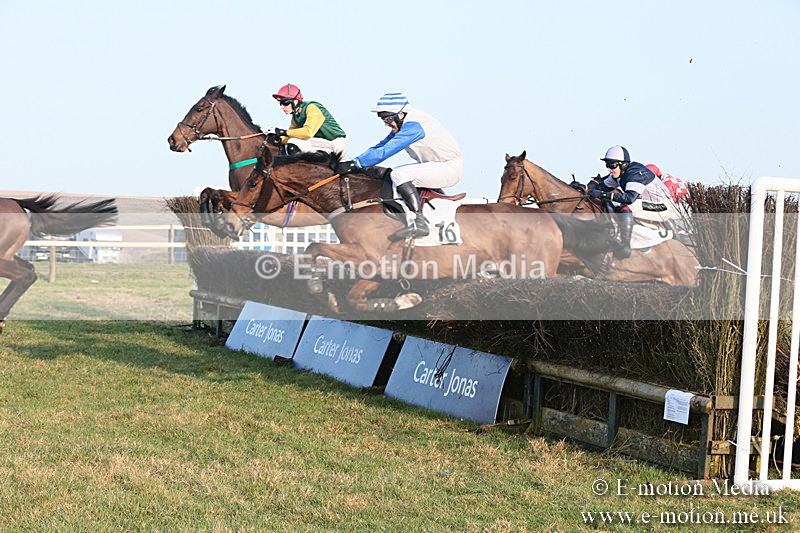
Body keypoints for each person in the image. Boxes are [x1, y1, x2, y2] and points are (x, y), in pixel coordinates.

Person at [335, 92, 463, 241]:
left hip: (448, 168)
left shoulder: (414, 126)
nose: (386, 123)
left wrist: (356, 164)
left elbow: (387, 150)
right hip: (437, 166)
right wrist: (355, 161)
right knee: (395, 175)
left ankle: (419, 222)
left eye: (388, 118)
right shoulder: (405, 124)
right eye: (383, 119)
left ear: (401, 114)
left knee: (399, 174)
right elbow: (381, 145)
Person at [587, 145, 674, 259]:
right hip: (648, 203)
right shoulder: (619, 173)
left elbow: (629, 198)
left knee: (625, 205)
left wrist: (603, 195)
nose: (609, 169)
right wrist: (582, 188)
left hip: (663, 207)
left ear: (623, 164)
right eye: (607, 165)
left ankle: (625, 245)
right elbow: (601, 187)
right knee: (612, 202)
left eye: (612, 165)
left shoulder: (635, 174)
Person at [271, 83, 347, 156]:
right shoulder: (296, 116)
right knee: (287, 144)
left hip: (336, 144)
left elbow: (308, 132)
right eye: (280, 103)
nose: (282, 106)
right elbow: (290, 134)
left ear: (295, 101)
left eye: (285, 103)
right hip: (321, 144)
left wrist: (283, 132)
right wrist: (276, 138)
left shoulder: (311, 108)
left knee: (293, 142)